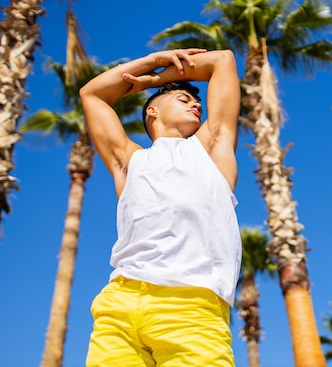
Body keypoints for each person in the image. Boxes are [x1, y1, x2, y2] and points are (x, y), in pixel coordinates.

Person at [80, 48, 242, 367]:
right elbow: (92, 95)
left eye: (195, 101)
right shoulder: (129, 162)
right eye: (184, 100)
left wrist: (157, 80)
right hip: (120, 304)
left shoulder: (211, 148)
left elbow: (222, 60)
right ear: (152, 113)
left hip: (192, 304)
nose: (197, 104)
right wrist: (151, 63)